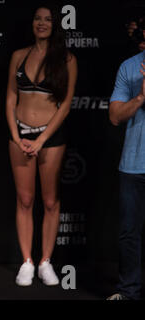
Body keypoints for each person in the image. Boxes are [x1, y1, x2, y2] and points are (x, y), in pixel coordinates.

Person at [5, 4, 77, 286]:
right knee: (24, 200)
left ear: (55, 25)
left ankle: (46, 261)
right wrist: (15, 135)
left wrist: (41, 139)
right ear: (32, 23)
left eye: (48, 20)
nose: (42, 23)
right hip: (19, 135)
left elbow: (66, 104)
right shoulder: (18, 56)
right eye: (38, 18)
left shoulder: (67, 59)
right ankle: (27, 261)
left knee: (49, 201)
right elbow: (11, 98)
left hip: (50, 138)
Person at [107, 51, 145, 300]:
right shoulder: (129, 67)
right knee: (129, 233)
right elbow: (115, 116)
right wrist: (141, 96)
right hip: (134, 164)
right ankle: (129, 292)